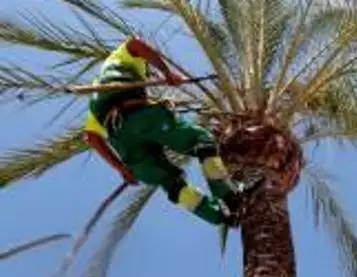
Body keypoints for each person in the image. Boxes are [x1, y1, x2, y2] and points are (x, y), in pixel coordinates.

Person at [82, 37, 252, 227]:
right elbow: (135, 44)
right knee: (201, 140)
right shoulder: (119, 58)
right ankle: (230, 197)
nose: (147, 74)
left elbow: (91, 137)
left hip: (124, 143)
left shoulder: (96, 99)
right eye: (148, 70)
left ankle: (221, 217)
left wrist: (121, 168)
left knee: (170, 183)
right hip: (142, 117)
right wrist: (166, 72)